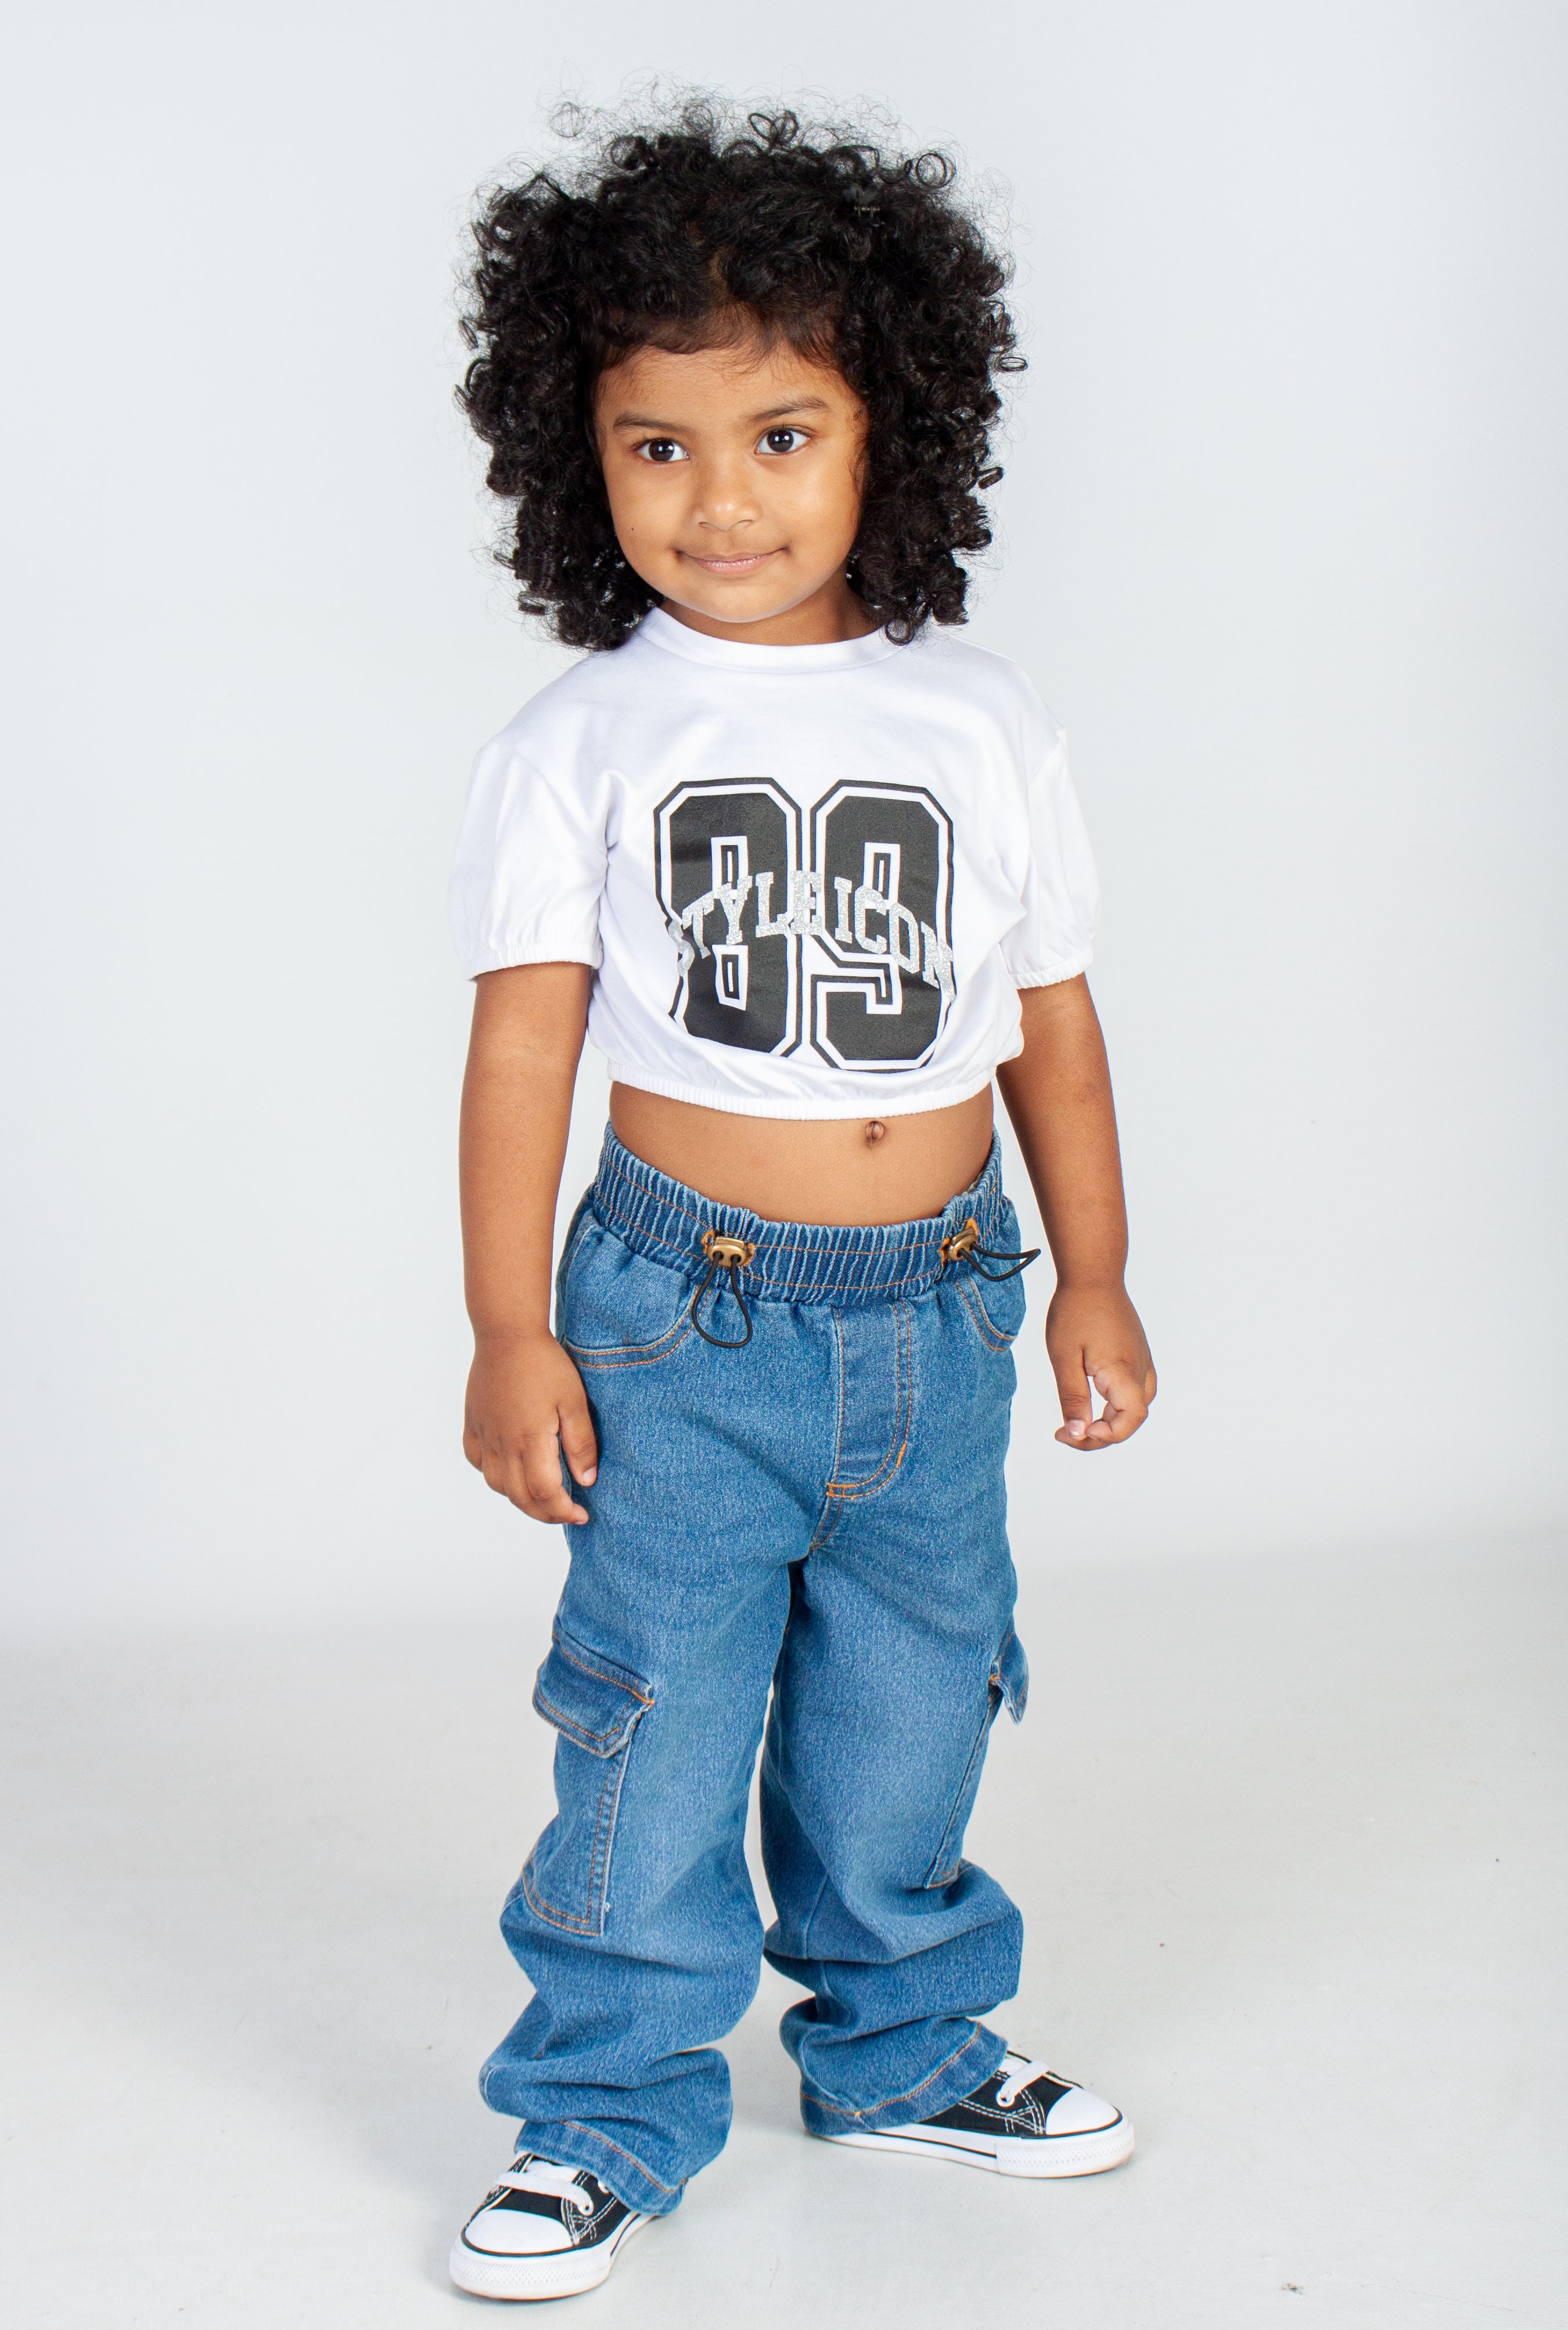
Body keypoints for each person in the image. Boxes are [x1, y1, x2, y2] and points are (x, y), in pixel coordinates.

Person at [445, 100, 1156, 2302]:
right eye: (655, 447)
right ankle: (604, 2101)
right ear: (576, 460)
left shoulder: (977, 717)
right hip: (685, 1318)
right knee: (655, 1712)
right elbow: (524, 1052)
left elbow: (1050, 1023)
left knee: (912, 1697)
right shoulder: (581, 737)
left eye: (779, 435)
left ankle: (904, 2043)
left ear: (889, 438)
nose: (719, 499)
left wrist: (1096, 1271)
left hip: (943, 1308)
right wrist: (505, 1325)